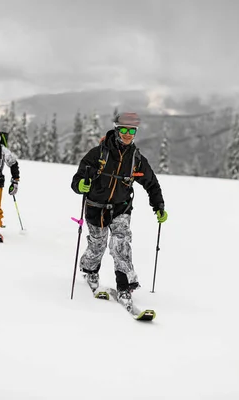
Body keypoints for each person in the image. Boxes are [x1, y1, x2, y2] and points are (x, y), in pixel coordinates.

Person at [71, 112, 168, 310]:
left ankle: (125, 287)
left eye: (131, 131)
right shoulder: (98, 154)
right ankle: (90, 270)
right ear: (116, 129)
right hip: (95, 208)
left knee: (121, 244)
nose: (127, 134)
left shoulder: (136, 159)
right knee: (97, 245)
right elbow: (77, 179)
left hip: (121, 208)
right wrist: (80, 184)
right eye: (123, 130)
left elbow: (152, 183)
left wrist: (158, 205)